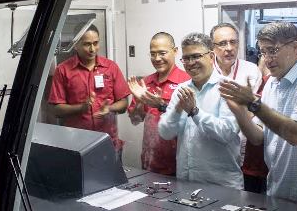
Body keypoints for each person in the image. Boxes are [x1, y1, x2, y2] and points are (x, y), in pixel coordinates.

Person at [219, 22, 297, 202]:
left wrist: (252, 103)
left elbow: (296, 134)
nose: (266, 59)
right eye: (263, 52)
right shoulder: (271, 83)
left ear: (295, 46)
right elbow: (258, 137)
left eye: (272, 50)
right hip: (276, 187)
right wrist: (239, 111)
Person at [158, 32, 243, 189]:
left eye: (196, 56)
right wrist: (177, 110)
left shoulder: (229, 88)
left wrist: (195, 112)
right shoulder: (181, 90)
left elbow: (226, 133)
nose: (191, 63)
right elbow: (165, 132)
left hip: (222, 185)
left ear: (211, 56)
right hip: (186, 182)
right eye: (186, 58)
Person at [48, 24, 130, 152]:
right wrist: (82, 107)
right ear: (76, 44)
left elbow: (124, 104)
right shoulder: (63, 70)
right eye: (87, 44)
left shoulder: (111, 67)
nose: (93, 49)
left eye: (96, 43)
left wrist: (109, 108)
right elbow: (57, 110)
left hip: (108, 141)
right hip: (77, 144)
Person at [211, 23, 265, 192]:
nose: (229, 48)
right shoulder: (206, 72)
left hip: (245, 152)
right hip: (212, 151)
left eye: (233, 42)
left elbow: (256, 110)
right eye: (222, 43)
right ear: (212, 47)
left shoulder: (251, 70)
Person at [127, 32, 190, 176]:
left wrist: (161, 105)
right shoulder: (146, 82)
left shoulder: (186, 81)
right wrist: (140, 102)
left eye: (162, 53)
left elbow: (192, 120)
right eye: (152, 54)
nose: (157, 58)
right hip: (150, 160)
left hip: (179, 162)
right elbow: (135, 120)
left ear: (175, 51)